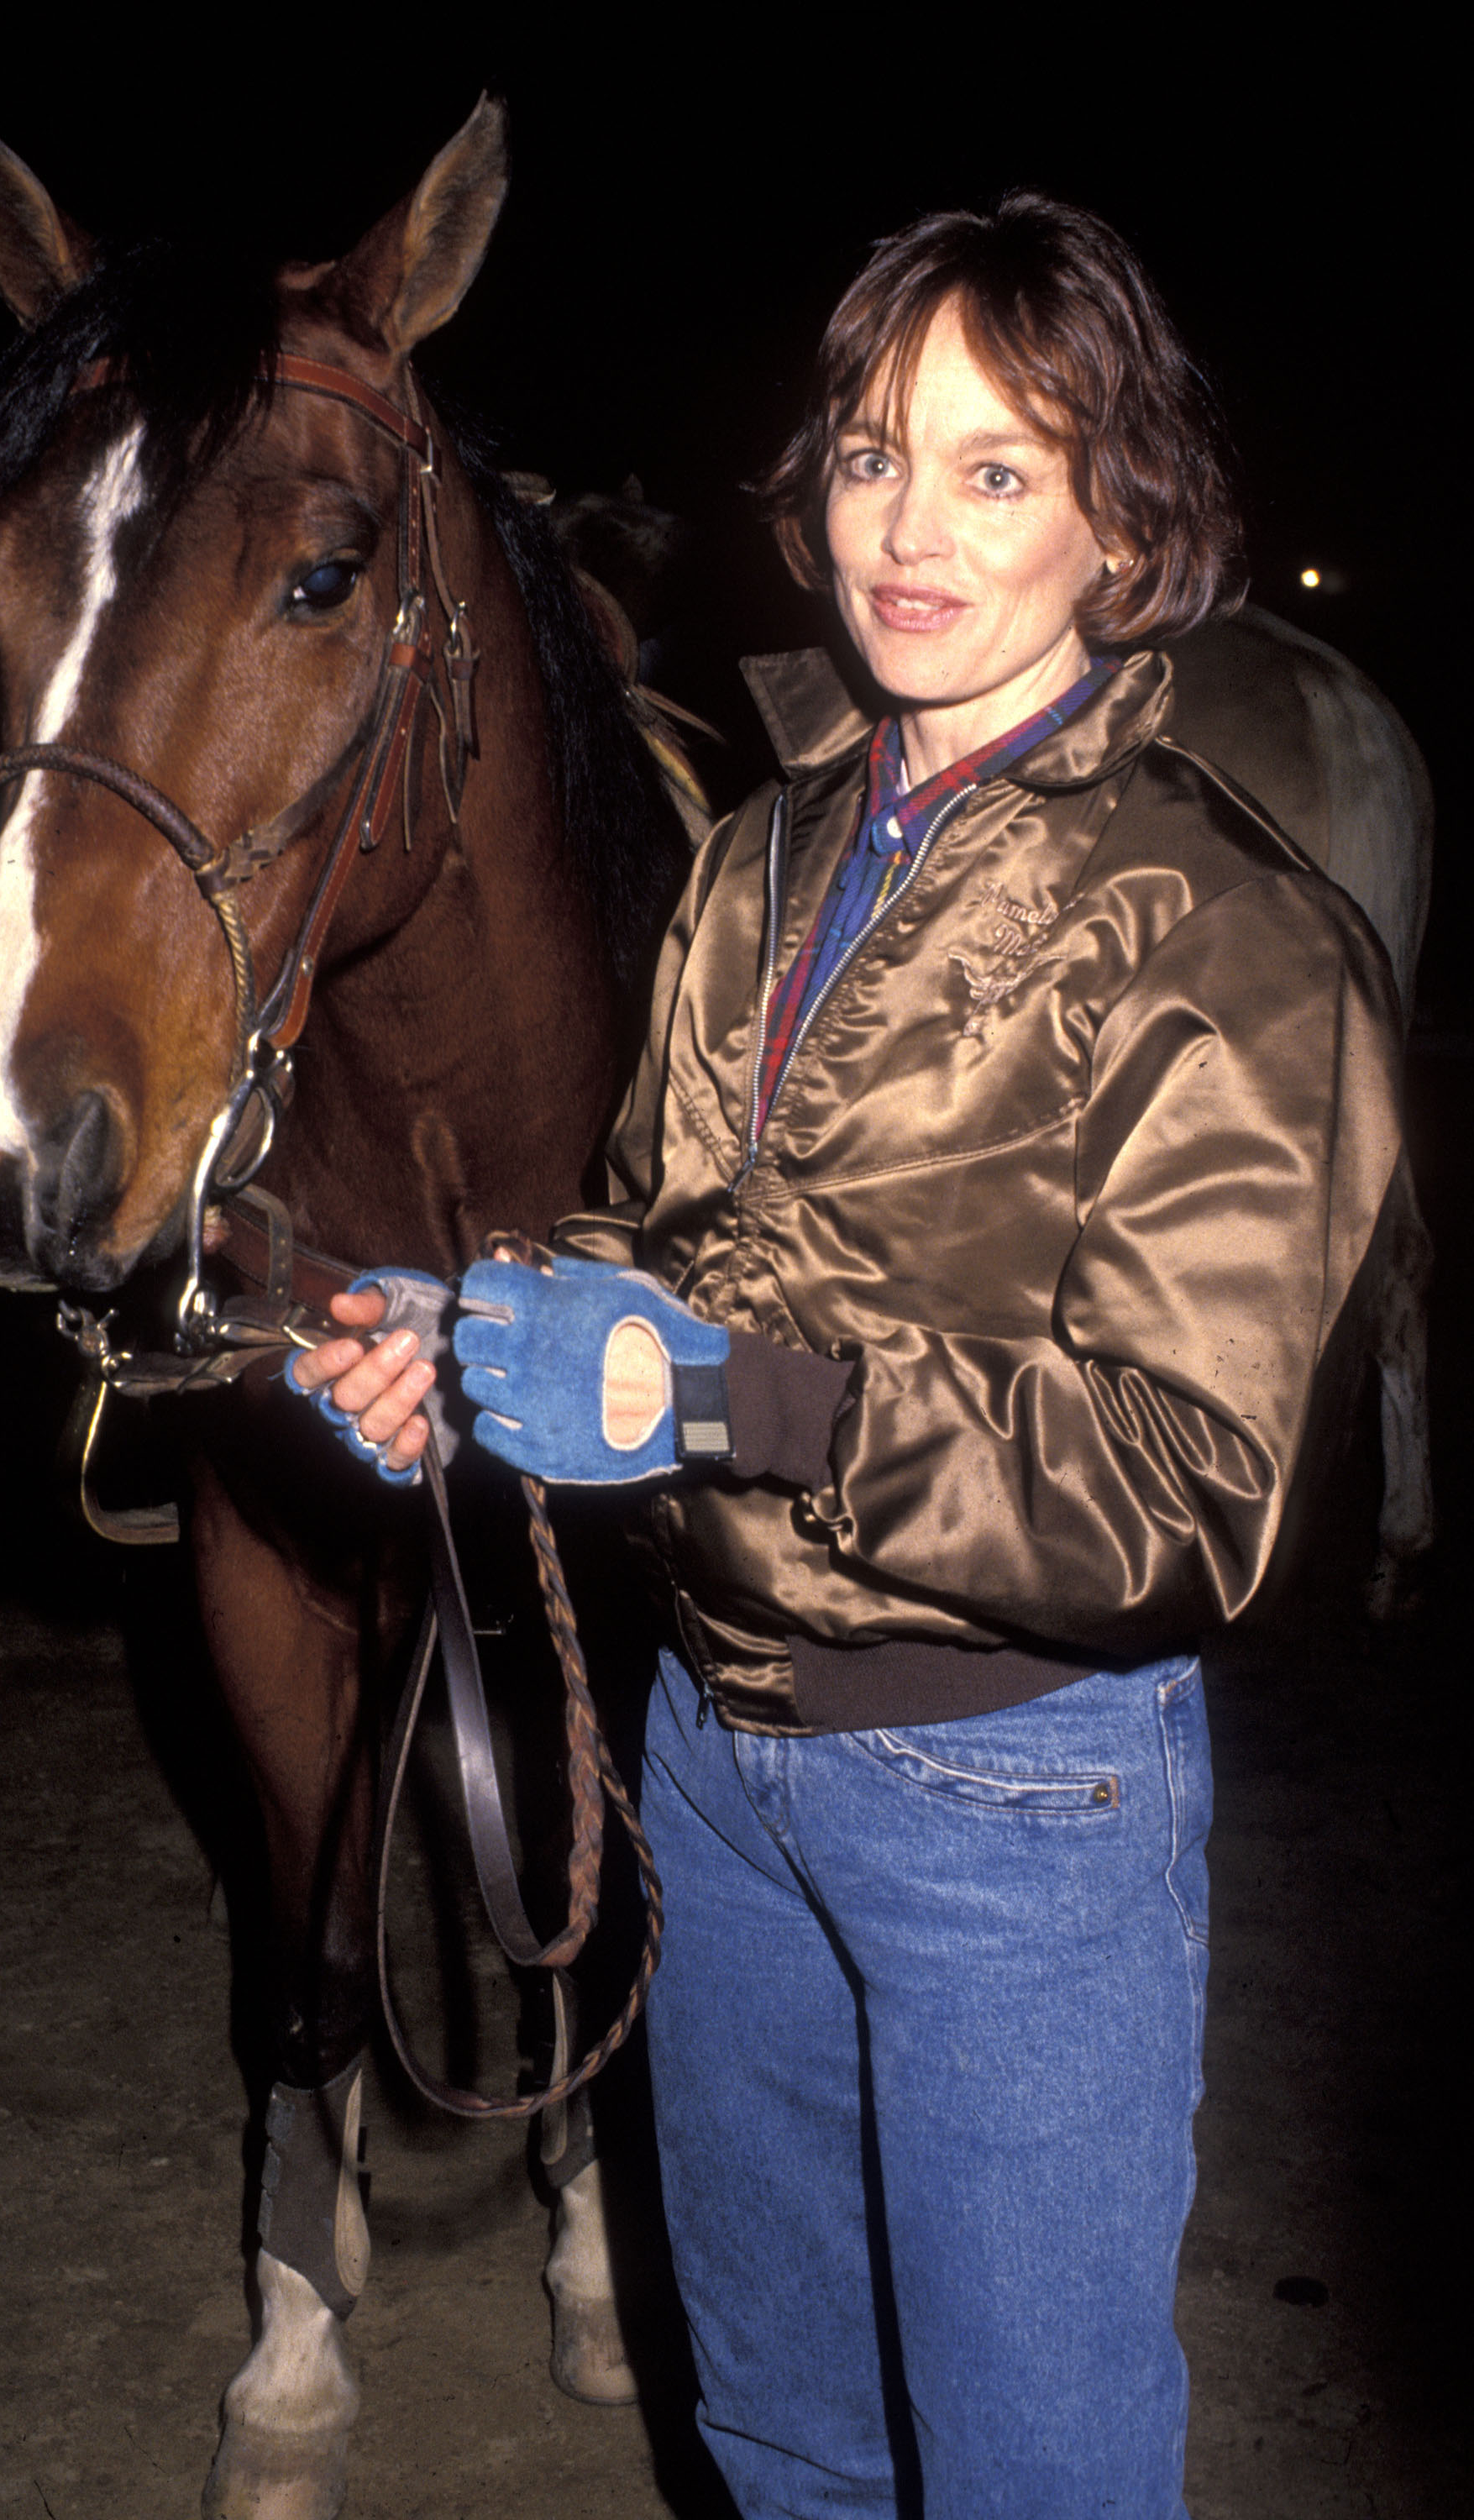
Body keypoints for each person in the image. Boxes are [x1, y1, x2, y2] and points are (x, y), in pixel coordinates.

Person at [290, 195, 1403, 2517]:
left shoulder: (1229, 932)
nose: (911, 526)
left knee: (1031, 2472)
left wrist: (710, 1404)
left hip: (1014, 1802)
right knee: (780, 2434)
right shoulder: (768, 854)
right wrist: (481, 1324)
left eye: (1002, 469)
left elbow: (1182, 1496)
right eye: (878, 451)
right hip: (715, 1758)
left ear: (1126, 519)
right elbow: (672, 1237)